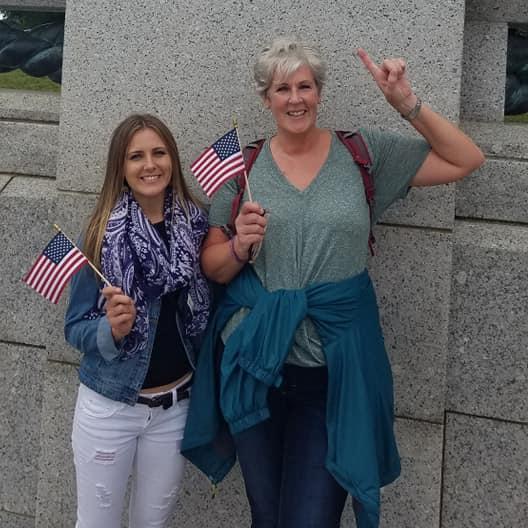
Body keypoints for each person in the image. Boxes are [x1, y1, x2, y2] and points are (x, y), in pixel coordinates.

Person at [182, 38, 485, 528]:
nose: (295, 98)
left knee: (312, 519)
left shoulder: (363, 153)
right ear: (266, 98)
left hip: (332, 372)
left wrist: (406, 103)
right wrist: (239, 245)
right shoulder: (244, 167)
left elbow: (465, 159)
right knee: (266, 516)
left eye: (305, 86)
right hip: (256, 363)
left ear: (319, 93)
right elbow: (214, 267)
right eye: (282, 88)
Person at [64, 113, 210, 528]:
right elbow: (74, 327)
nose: (150, 165)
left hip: (175, 408)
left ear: (172, 159)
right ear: (121, 167)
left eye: (159, 153)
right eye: (136, 156)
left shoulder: (196, 225)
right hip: (111, 407)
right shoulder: (99, 234)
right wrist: (110, 330)